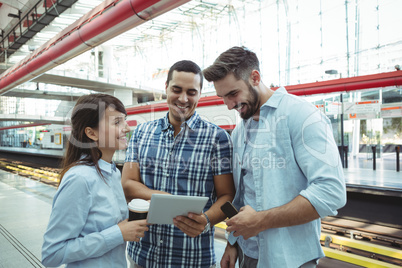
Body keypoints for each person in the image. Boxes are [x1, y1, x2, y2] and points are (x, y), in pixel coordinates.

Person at [203, 46, 347, 268]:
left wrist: (260, 221)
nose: (229, 105)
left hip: (289, 258)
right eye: (223, 97)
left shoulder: (302, 115)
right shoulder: (241, 130)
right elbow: (243, 193)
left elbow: (331, 192)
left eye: (233, 94)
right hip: (247, 254)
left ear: (255, 77)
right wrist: (232, 243)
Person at [122, 60, 235, 267]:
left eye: (191, 92)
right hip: (142, 256)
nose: (183, 99)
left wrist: (207, 220)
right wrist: (166, 199)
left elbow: (227, 195)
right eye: (176, 89)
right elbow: (128, 184)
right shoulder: (141, 133)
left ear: (200, 94)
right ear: (165, 88)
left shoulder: (217, 138)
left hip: (192, 259)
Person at [42, 94, 149, 267]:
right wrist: (118, 234)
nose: (127, 128)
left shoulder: (113, 173)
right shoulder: (80, 179)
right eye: (117, 122)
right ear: (91, 133)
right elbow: (52, 254)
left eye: (125, 120)